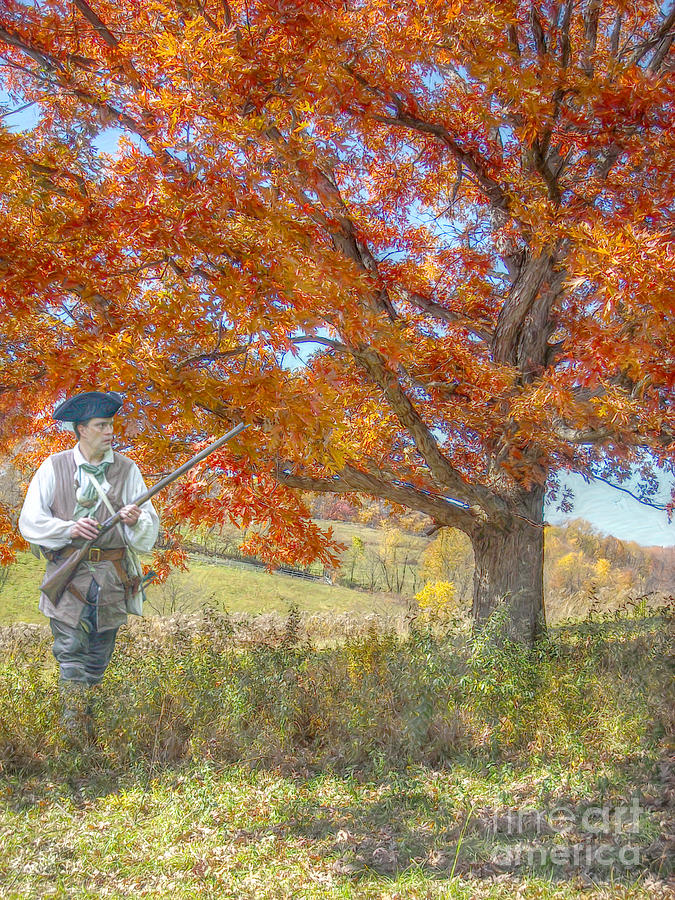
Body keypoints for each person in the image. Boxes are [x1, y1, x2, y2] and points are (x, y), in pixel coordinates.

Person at [18, 390, 159, 744]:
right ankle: (73, 739)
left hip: (112, 580)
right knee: (71, 657)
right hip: (68, 579)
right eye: (101, 425)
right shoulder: (53, 466)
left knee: (98, 660)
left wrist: (134, 518)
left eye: (110, 424)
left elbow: (147, 535)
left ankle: (86, 733)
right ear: (82, 429)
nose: (110, 431)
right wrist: (68, 528)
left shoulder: (128, 470)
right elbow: (30, 521)